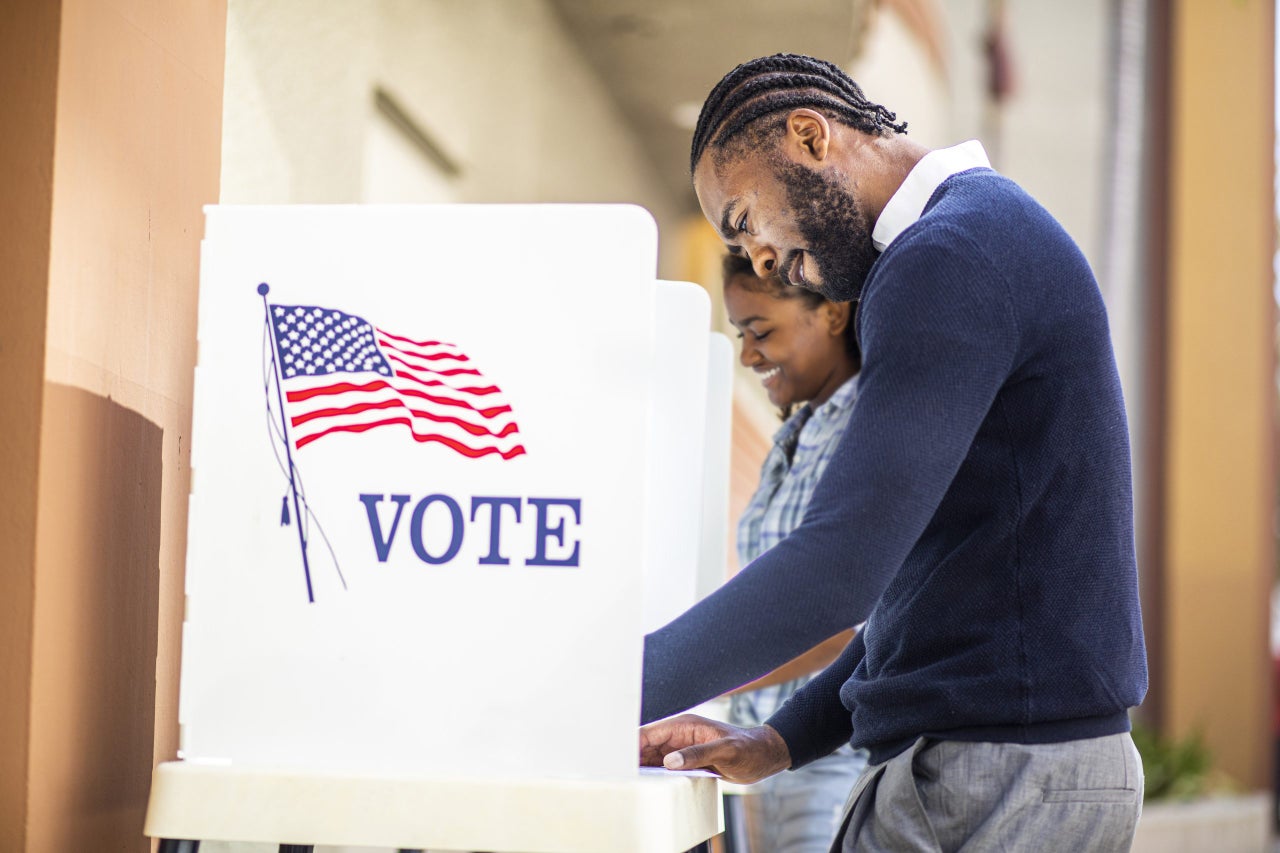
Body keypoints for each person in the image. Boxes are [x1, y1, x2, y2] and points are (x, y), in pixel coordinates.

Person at [639, 54, 1147, 851]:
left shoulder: (948, 257)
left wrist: (603, 690)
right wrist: (782, 739)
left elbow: (842, 564)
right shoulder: (972, 240)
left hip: (997, 779)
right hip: (1009, 765)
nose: (761, 260)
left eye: (744, 221)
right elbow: (935, 583)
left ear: (809, 136)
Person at [719, 252, 867, 852]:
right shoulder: (798, 434)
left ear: (832, 312)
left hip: (831, 762)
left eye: (761, 331)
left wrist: (707, 680)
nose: (748, 356)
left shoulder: (867, 433)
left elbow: (848, 629)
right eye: (740, 335)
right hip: (761, 762)